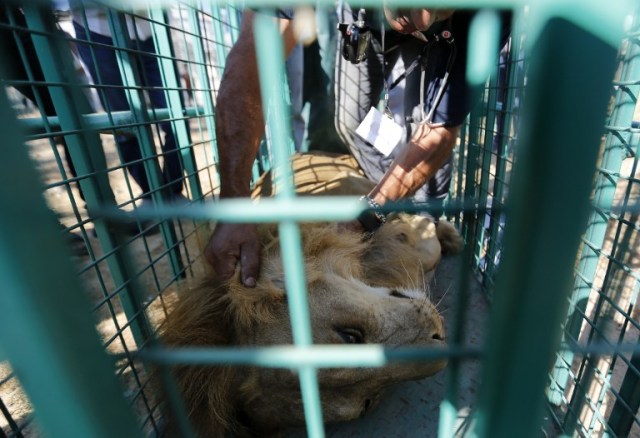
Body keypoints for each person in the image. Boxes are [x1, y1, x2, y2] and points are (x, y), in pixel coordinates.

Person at [205, 7, 510, 287]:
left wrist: (369, 214)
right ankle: (392, 198)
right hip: (364, 21)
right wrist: (235, 205)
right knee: (350, 119)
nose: (420, 20)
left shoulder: (490, 13)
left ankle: (422, 216)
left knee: (426, 127)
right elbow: (251, 55)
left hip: (450, 37)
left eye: (436, 7)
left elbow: (440, 132)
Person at [72, 6, 185, 203]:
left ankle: (173, 192)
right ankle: (152, 196)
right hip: (96, 29)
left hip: (150, 25)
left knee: (176, 118)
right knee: (125, 124)